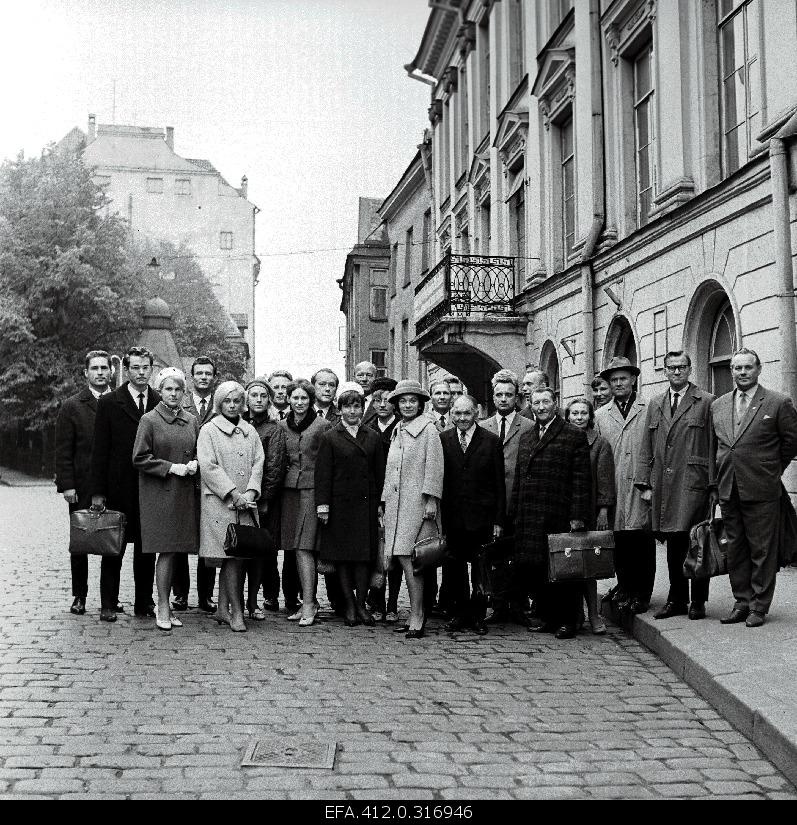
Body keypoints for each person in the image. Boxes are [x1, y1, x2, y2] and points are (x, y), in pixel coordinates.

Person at [710, 348, 797, 627]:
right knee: (736, 548)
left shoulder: (777, 402)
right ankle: (741, 601)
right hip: (729, 488)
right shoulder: (719, 405)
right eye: (737, 368)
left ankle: (759, 605)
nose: (742, 373)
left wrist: (771, 470)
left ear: (759, 369)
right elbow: (718, 446)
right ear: (731, 371)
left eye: (748, 367)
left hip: (762, 488)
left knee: (762, 549)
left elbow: (791, 442)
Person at [636, 351, 714, 621]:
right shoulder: (656, 403)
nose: (677, 372)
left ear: (690, 369)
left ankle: (698, 601)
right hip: (664, 485)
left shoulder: (706, 402)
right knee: (673, 544)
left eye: (682, 367)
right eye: (672, 368)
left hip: (694, 483)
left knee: (697, 542)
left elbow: (713, 448)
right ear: (665, 371)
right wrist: (643, 483)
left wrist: (712, 485)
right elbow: (646, 446)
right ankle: (677, 598)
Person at [511, 387, 591, 640]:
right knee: (538, 568)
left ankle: (568, 620)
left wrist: (577, 517)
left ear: (556, 404)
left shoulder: (573, 435)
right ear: (531, 406)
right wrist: (515, 512)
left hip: (558, 512)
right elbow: (519, 479)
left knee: (564, 570)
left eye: (546, 402)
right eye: (536, 403)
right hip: (531, 514)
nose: (541, 407)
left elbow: (581, 480)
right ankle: (547, 616)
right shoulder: (526, 436)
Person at [90, 346, 160, 622]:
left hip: (150, 487)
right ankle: (108, 602)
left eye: (146, 368)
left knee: (146, 548)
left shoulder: (158, 401)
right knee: (113, 548)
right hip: (118, 486)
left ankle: (144, 602)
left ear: (151, 370)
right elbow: (99, 450)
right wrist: (98, 491)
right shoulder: (110, 403)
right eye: (136, 368)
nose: (141, 373)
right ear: (126, 370)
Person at [132, 368, 200, 631]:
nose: (173, 394)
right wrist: (171, 467)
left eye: (178, 389)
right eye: (168, 389)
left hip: (184, 493)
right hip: (159, 493)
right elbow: (139, 457)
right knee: (166, 550)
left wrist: (195, 462)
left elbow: (196, 449)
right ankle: (162, 605)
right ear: (160, 391)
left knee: (176, 551)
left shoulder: (191, 420)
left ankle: (168, 604)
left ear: (185, 392)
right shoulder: (149, 420)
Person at [316, 386, 386, 627]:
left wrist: (379, 505)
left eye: (357, 406)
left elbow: (380, 474)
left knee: (363, 558)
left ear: (362, 407)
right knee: (343, 558)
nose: (353, 411)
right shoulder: (330, 436)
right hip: (339, 506)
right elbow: (323, 474)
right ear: (340, 408)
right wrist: (322, 505)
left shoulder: (373, 436)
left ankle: (361, 604)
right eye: (347, 406)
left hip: (365, 505)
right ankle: (348, 605)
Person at [197, 381, 264, 633]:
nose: (233, 405)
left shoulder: (250, 431)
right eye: (227, 401)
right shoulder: (209, 430)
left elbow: (259, 462)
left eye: (237, 401)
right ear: (219, 403)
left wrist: (250, 491)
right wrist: (233, 492)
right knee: (230, 557)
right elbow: (208, 466)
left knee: (236, 557)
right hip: (220, 502)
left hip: (246, 503)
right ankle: (236, 611)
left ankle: (223, 608)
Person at [382, 379, 444, 639]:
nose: (408, 405)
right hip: (398, 506)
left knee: (414, 562)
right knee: (404, 561)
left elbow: (435, 466)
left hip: (418, 506)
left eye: (412, 401)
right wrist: (384, 501)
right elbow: (390, 470)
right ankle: (414, 614)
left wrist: (431, 499)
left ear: (420, 404)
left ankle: (418, 615)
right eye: (403, 401)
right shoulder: (398, 429)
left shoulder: (428, 430)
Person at [594, 357, 654, 615]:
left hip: (641, 486)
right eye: (614, 380)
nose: (619, 383)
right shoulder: (600, 415)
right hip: (614, 485)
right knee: (619, 541)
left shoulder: (649, 408)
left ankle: (642, 593)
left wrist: (651, 484)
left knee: (641, 540)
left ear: (633, 380)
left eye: (623, 379)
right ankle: (626, 588)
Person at [55, 350, 113, 616]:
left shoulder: (118, 402)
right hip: (82, 485)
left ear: (111, 371)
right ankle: (80, 595)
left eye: (104, 368)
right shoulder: (72, 405)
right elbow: (63, 449)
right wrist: (67, 485)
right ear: (85, 373)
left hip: (113, 485)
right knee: (80, 541)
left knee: (112, 542)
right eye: (95, 369)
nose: (100, 373)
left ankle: (109, 599)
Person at [440, 395, 505, 635]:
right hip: (453, 517)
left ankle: (478, 616)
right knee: (455, 568)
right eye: (457, 413)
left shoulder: (491, 441)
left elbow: (499, 484)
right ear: (452, 414)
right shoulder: (444, 439)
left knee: (480, 568)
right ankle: (460, 613)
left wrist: (498, 520)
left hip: (482, 517)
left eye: (467, 413)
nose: (462, 418)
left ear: (476, 413)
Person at [480, 369, 534, 625]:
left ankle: (519, 604)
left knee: (519, 552)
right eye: (499, 394)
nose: (503, 399)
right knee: (495, 554)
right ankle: (498, 604)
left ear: (517, 397)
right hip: (491, 502)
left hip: (518, 499)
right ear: (493, 397)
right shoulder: (483, 427)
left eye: (508, 395)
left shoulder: (528, 427)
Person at [279, 378, 332, 626]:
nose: (299, 403)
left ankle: (310, 602)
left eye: (304, 398)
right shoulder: (282, 426)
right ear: (289, 400)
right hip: (289, 492)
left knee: (305, 546)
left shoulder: (323, 426)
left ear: (311, 401)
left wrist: (325, 501)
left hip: (313, 490)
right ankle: (306, 601)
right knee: (294, 547)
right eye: (295, 398)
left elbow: (328, 464)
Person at [564, 397, 615, 635]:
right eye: (574, 413)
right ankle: (573, 615)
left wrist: (603, 509)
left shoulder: (599, 443)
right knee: (565, 564)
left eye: (583, 413)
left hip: (589, 510)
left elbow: (605, 479)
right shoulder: (561, 439)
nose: (579, 417)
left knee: (587, 567)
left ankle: (593, 615)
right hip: (563, 510)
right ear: (567, 416)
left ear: (590, 417)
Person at [172, 356, 218, 613]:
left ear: (214, 377)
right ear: (192, 377)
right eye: (199, 373)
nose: (203, 377)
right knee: (180, 537)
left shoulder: (221, 404)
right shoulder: (182, 402)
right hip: (184, 477)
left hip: (209, 481)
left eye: (208, 373)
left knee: (208, 538)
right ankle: (180, 593)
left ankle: (206, 595)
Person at [243, 377, 287, 619]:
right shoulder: (239, 424)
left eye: (262, 396)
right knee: (242, 549)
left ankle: (265, 595)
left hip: (263, 500)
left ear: (269, 400)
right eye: (254, 395)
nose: (258, 400)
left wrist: (264, 498)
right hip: (240, 498)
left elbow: (274, 466)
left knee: (264, 550)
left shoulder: (274, 429)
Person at [365, 377, 403, 622]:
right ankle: (376, 598)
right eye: (376, 400)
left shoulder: (401, 427)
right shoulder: (367, 427)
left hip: (396, 495)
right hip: (372, 495)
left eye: (387, 400)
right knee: (376, 551)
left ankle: (392, 603)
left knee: (396, 553)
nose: (381, 405)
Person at [354, 361, 379, 425]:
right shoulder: (345, 401)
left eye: (369, 375)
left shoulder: (381, 403)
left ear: (376, 378)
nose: (364, 379)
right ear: (354, 378)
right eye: (360, 375)